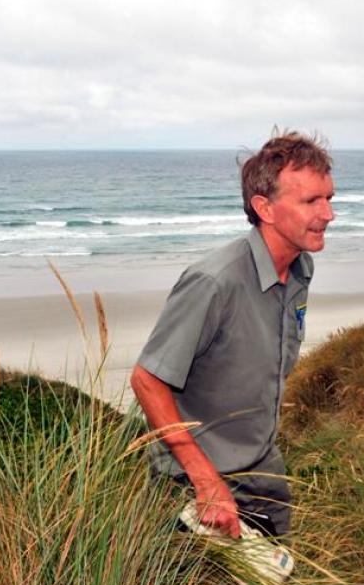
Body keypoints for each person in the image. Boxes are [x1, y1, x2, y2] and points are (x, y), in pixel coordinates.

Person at [130, 130, 335, 539]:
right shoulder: (213, 282)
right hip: (197, 488)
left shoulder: (300, 269)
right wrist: (205, 481)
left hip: (264, 476)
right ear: (266, 208)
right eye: (312, 201)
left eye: (330, 199)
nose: (328, 214)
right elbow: (146, 380)